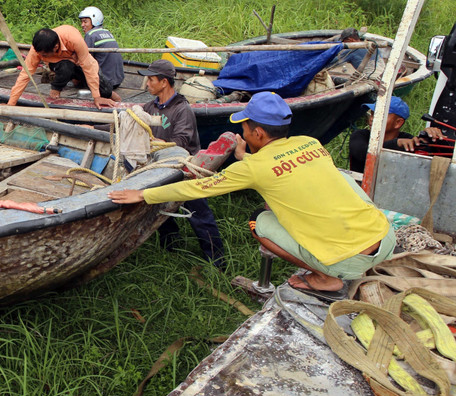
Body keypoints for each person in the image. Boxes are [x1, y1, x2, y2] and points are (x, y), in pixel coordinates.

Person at [108, 92, 397, 295]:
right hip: (385, 239)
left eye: (245, 127)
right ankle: (346, 250)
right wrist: (245, 158)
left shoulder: (255, 167)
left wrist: (143, 195)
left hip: (350, 263)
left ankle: (324, 277)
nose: (243, 132)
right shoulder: (310, 143)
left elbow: (195, 186)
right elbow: (278, 170)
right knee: (342, 181)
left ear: (257, 133)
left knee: (259, 221)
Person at [137, 60, 225, 268]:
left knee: (198, 214)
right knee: (159, 209)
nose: (147, 84)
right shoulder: (150, 106)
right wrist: (95, 126)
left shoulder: (181, 109)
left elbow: (182, 142)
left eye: (151, 79)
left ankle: (217, 261)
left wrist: (156, 143)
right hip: (161, 168)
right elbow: (132, 122)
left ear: (164, 82)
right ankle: (170, 246)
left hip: (185, 170)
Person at [7, 25, 117, 108]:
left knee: (105, 90)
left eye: (44, 55)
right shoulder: (36, 50)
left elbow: (88, 67)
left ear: (55, 47)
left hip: (78, 61)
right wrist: (11, 104)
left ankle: (78, 80)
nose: (40, 57)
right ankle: (56, 89)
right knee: (65, 67)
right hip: (60, 65)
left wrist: (97, 97)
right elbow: (25, 75)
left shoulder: (74, 40)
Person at [348, 96, 445, 172]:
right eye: (372, 114)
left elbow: (434, 159)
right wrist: (395, 144)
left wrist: (434, 140)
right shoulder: (360, 135)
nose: (372, 118)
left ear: (398, 122)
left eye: (380, 114)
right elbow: (361, 153)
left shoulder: (408, 142)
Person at [78, 6, 124, 92]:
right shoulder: (107, 32)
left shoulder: (91, 35)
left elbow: (84, 60)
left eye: (85, 22)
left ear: (95, 21)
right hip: (117, 81)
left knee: (74, 65)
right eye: (81, 22)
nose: (82, 25)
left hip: (104, 84)